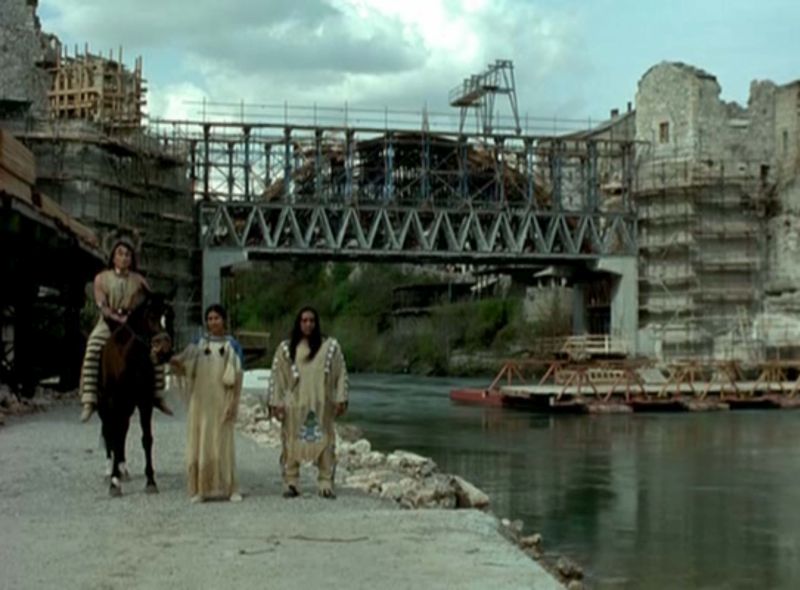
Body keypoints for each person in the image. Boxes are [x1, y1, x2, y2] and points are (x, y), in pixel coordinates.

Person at [79, 236, 172, 422]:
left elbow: (150, 301)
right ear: (113, 256)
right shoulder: (101, 278)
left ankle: (157, 394)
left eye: (127, 255)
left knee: (154, 348)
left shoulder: (139, 280)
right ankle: (89, 398)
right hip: (109, 322)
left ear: (132, 258)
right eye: (120, 254)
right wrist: (115, 317)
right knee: (93, 347)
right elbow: (102, 305)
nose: (124, 258)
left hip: (133, 324)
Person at [268, 306, 348, 499]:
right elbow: (277, 377)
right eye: (304, 320)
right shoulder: (286, 349)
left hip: (321, 403)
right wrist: (277, 402)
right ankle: (291, 481)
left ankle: (325, 482)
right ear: (298, 323)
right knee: (291, 441)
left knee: (325, 441)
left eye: (312, 320)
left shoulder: (330, 347)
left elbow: (341, 373)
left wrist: (340, 398)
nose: (308, 324)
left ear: (316, 323)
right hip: (294, 404)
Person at [170, 304, 244, 503]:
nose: (213, 322)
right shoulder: (199, 344)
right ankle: (201, 488)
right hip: (201, 401)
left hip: (221, 399)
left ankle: (230, 487)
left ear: (224, 320)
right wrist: (169, 357)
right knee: (200, 442)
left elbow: (238, 375)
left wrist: (234, 402)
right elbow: (183, 363)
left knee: (223, 442)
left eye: (216, 318)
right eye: (210, 318)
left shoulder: (232, 345)